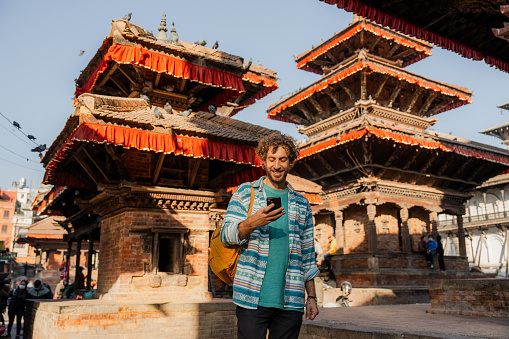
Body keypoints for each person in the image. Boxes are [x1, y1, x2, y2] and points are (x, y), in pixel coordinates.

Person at [221, 132, 319, 339]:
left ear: (290, 162)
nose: (276, 165)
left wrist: (312, 296)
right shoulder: (245, 193)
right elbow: (226, 235)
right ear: (263, 161)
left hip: (291, 298)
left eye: (282, 159)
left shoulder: (302, 204)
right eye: (271, 159)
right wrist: (252, 222)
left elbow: (308, 255)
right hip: (251, 295)